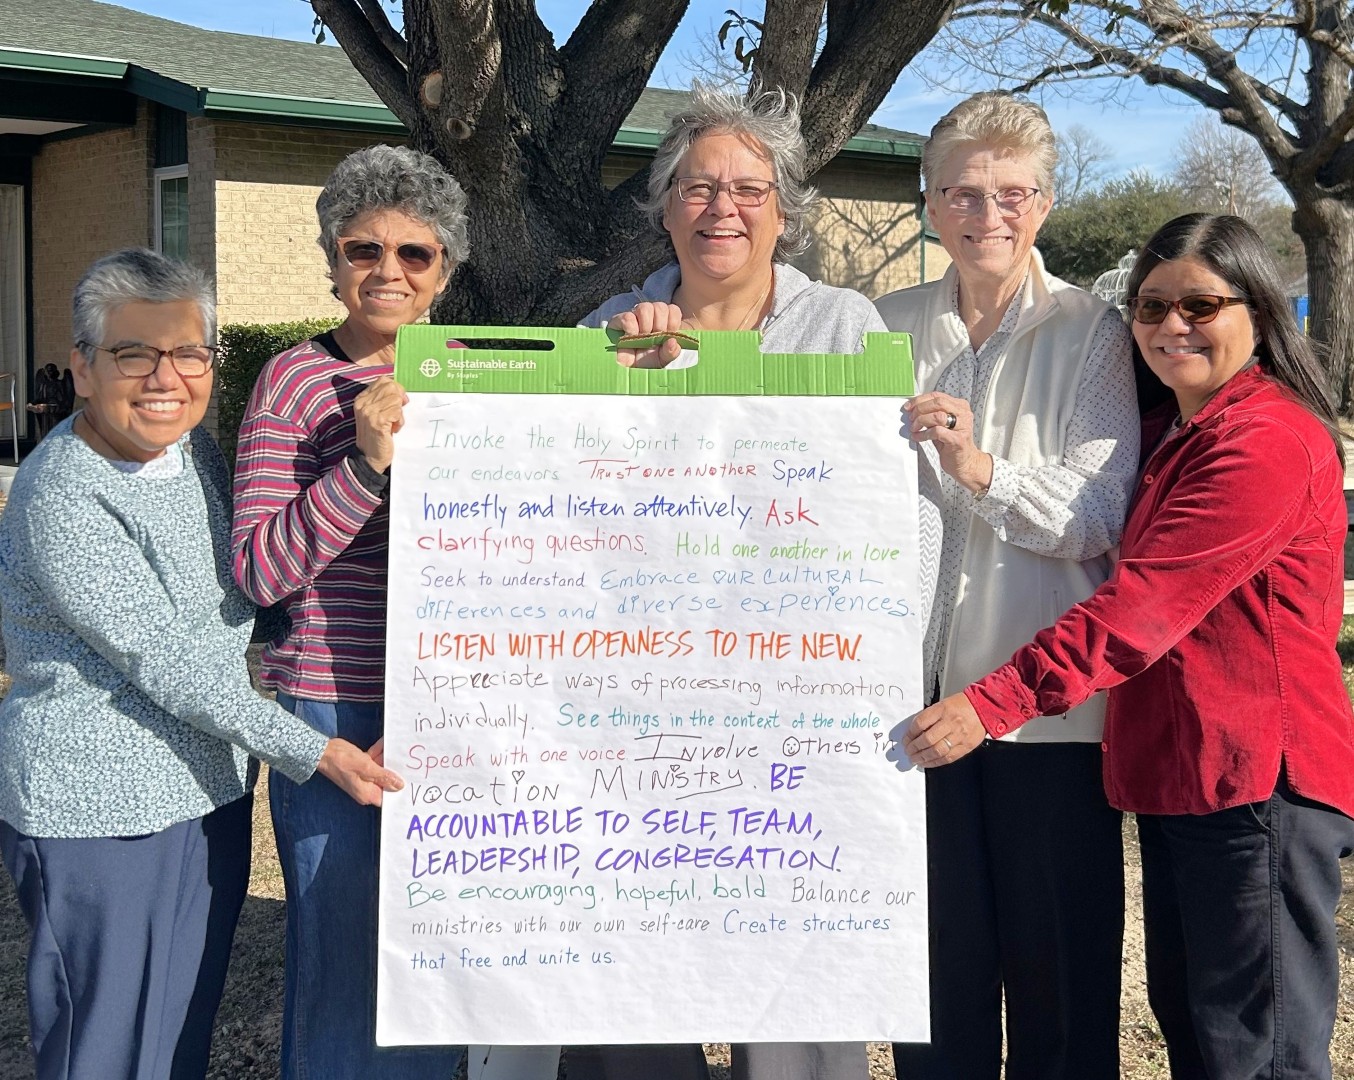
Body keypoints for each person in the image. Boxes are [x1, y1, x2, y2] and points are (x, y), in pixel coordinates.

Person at [906, 212, 1354, 1080]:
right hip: (1186, 779)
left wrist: (985, 705)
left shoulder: (1261, 441)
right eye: (1149, 308)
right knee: (1199, 1033)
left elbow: (1139, 610)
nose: (1169, 326)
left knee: (1254, 1054)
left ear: (1257, 310)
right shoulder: (1176, 434)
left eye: (1199, 304)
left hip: (1258, 784)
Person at [0, 247, 403, 1080]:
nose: (164, 377)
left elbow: (239, 592)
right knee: (106, 1051)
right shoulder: (63, 492)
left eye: (188, 353)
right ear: (81, 367)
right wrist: (311, 746)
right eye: (133, 353)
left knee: (176, 1038)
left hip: (205, 793)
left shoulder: (194, 455)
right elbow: (169, 663)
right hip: (103, 813)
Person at [578, 81, 886, 1080]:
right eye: (698, 186)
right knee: (635, 991)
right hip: (642, 712)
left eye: (749, 189)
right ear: (664, 207)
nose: (723, 208)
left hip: (796, 705)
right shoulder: (605, 335)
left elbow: (886, 510)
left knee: (794, 993)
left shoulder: (845, 328)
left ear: (783, 214)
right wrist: (635, 393)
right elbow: (545, 513)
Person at [872, 92, 1140, 1080]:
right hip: (906, 713)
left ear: (1047, 202)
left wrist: (977, 469)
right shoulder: (881, 327)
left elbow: (1096, 518)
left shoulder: (1092, 330)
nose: (989, 216)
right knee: (930, 990)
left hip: (1043, 716)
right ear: (930, 203)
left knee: (1058, 990)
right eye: (964, 193)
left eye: (1013, 193)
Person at [231, 145, 468, 1080]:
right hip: (335, 706)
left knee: (441, 959)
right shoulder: (293, 383)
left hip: (462, 707)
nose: (388, 271)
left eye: (416, 253)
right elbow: (258, 573)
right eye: (363, 248)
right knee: (340, 956)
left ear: (444, 270)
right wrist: (365, 465)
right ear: (332, 262)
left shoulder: (475, 375)